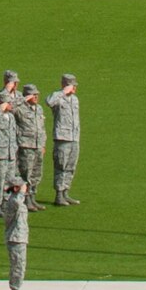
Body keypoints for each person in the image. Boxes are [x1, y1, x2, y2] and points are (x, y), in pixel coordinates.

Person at [0, 176, 31, 290]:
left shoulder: (16, 201)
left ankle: (16, 289)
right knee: (18, 265)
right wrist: (21, 192)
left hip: (20, 237)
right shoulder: (13, 201)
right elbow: (17, 202)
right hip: (15, 238)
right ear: (16, 188)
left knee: (20, 264)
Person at [50, 74, 81, 205]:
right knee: (61, 166)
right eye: (72, 85)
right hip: (62, 138)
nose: (74, 88)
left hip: (74, 137)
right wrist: (63, 92)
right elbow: (49, 101)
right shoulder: (58, 98)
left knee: (71, 166)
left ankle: (66, 192)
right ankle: (59, 195)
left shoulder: (75, 99)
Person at [15, 84, 46, 210]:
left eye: (37, 94)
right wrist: (23, 100)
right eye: (33, 95)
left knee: (36, 174)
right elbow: (10, 107)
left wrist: (43, 144)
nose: (36, 97)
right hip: (26, 146)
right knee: (26, 174)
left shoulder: (38, 108)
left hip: (38, 146)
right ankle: (26, 199)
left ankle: (32, 197)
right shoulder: (20, 108)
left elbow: (42, 128)